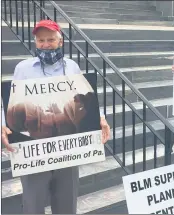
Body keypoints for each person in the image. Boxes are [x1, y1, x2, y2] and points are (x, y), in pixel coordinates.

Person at [1, 19, 111, 214]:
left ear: (60, 41)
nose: (45, 44)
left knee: (67, 204)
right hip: (34, 149)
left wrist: (100, 118)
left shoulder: (72, 67)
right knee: (33, 205)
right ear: (35, 42)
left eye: (50, 39)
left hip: (67, 148)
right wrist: (4, 125)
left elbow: (87, 98)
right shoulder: (23, 68)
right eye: (41, 40)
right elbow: (11, 104)